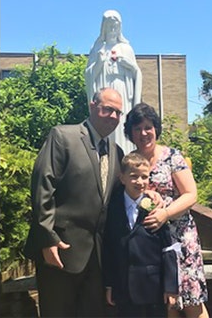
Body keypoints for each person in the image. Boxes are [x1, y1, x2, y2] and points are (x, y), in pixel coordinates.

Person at [23, 88, 162, 317]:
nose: (114, 117)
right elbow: (43, 185)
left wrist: (149, 196)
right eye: (107, 109)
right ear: (92, 106)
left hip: (97, 259)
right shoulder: (63, 137)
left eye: (118, 112)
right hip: (60, 251)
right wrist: (47, 239)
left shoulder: (116, 152)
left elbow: (122, 193)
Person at [124, 103, 210, 318]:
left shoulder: (172, 157)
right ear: (130, 132)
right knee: (166, 304)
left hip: (180, 240)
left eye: (148, 127)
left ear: (156, 128)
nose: (143, 133)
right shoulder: (131, 162)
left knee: (191, 301)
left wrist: (166, 213)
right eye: (137, 128)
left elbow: (191, 194)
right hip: (152, 245)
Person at [103, 153, 179, 317]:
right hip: (123, 288)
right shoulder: (112, 208)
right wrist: (109, 284)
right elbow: (108, 248)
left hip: (153, 288)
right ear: (122, 178)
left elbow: (169, 248)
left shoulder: (156, 208)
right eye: (134, 176)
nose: (140, 182)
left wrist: (171, 286)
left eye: (144, 177)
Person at [85, 9, 142, 154]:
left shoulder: (126, 48)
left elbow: (137, 73)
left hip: (122, 91)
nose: (112, 29)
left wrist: (129, 66)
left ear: (119, 28)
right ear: (103, 27)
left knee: (121, 122)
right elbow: (89, 75)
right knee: (106, 121)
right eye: (109, 25)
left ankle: (124, 157)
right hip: (104, 88)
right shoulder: (98, 48)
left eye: (115, 26)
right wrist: (99, 62)